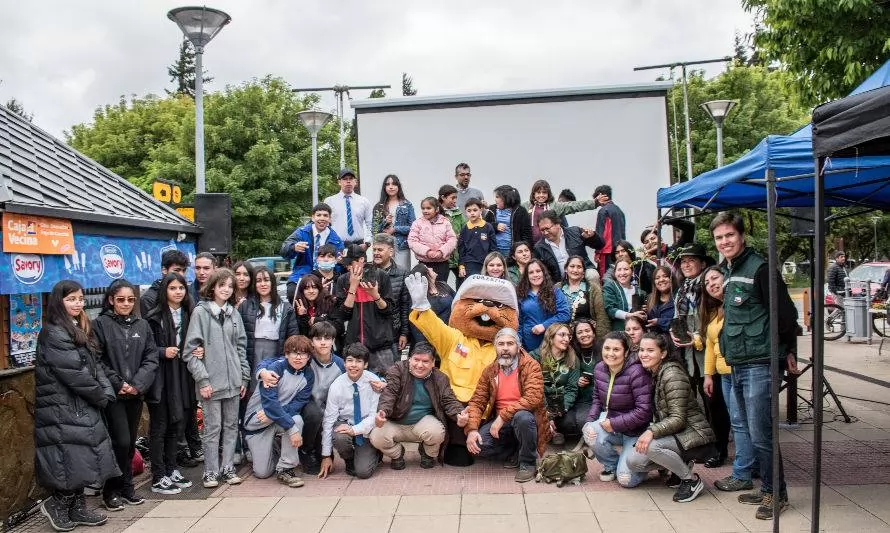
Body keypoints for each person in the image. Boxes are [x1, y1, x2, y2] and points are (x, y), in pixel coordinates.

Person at [711, 212, 798, 520]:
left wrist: (788, 351)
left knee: (762, 434)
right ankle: (766, 490)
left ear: (742, 236)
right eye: (719, 238)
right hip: (738, 363)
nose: (724, 242)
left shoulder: (760, 268)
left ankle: (778, 493)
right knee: (749, 430)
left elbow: (786, 316)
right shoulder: (730, 270)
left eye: (729, 236)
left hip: (761, 363)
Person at [35, 280, 119, 532]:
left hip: (81, 404)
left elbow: (94, 364)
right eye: (72, 299)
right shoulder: (53, 332)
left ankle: (78, 506)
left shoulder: (77, 327)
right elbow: (74, 374)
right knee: (67, 457)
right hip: (62, 407)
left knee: (83, 455)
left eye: (80, 299)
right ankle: (58, 505)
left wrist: (106, 391)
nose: (78, 303)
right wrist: (101, 396)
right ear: (59, 302)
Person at [625, 333, 715, 502]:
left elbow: (678, 419)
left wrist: (651, 432)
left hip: (695, 434)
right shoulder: (654, 372)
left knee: (651, 447)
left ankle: (691, 480)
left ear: (663, 353)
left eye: (650, 350)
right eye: (642, 350)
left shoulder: (672, 374)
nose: (644, 354)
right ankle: (679, 469)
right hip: (677, 434)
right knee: (633, 461)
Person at [182, 268, 250, 488]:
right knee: (213, 429)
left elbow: (241, 348)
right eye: (222, 285)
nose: (227, 290)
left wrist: (244, 378)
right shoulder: (200, 313)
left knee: (231, 426)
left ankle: (228, 467)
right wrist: (203, 380)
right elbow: (190, 352)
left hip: (234, 382)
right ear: (212, 287)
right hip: (211, 384)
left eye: (230, 286)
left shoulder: (234, 314)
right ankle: (210, 471)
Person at [94, 280, 158, 510]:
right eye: (120, 299)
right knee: (118, 441)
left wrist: (137, 384)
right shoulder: (100, 324)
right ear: (111, 299)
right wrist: (118, 383)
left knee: (129, 442)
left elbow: (151, 357)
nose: (126, 304)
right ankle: (111, 489)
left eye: (130, 299)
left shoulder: (142, 325)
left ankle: (127, 487)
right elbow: (97, 359)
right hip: (113, 395)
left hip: (135, 394)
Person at [463, 327, 548, 482]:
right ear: (495, 347)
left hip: (525, 419)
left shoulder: (531, 366)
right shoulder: (490, 370)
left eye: (510, 343)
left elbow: (532, 398)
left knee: (522, 417)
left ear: (518, 346)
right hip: (502, 423)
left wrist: (502, 417)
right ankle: (515, 450)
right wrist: (471, 429)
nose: (505, 348)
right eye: (501, 344)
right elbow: (477, 401)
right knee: (478, 446)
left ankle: (528, 462)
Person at [699, 266, 755, 492]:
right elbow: (711, 347)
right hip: (724, 375)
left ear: (727, 278)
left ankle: (744, 471)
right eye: (707, 282)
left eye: (715, 278)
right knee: (739, 423)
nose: (711, 284)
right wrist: (708, 375)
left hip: (740, 370)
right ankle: (747, 467)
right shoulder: (714, 312)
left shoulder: (738, 305)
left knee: (745, 423)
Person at [372, 342, 467, 469]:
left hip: (422, 422)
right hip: (396, 421)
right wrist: (383, 411)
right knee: (376, 436)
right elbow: (390, 393)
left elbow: (449, 399)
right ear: (409, 358)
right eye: (416, 360)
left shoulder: (440, 378)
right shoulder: (397, 370)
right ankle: (397, 454)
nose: (420, 365)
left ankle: (427, 453)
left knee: (437, 433)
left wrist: (458, 414)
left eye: (425, 361)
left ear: (433, 363)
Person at [145, 272, 196, 495]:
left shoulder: (189, 314)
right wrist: (162, 351)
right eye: (173, 288)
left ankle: (171, 467)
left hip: (182, 376)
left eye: (181, 288)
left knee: (178, 424)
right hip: (161, 379)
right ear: (165, 290)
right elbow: (145, 351)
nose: (178, 292)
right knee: (160, 426)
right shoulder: (153, 317)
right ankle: (158, 475)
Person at [582, 331, 653, 487]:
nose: (610, 353)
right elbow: (596, 400)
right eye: (607, 348)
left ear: (626, 352)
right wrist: (589, 421)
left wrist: (614, 424)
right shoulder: (600, 368)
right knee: (589, 431)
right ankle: (612, 465)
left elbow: (644, 411)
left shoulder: (637, 372)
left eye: (616, 349)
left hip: (636, 432)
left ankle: (653, 465)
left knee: (626, 480)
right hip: (614, 426)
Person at [243, 335, 315, 487]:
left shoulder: (308, 375)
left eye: (303, 354)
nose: (298, 357)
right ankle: (275, 447)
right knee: (262, 473)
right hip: (258, 422)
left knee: (296, 420)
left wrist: (277, 416)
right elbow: (269, 402)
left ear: (308, 357)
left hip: (275, 418)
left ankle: (286, 469)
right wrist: (282, 420)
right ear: (287, 354)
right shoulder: (274, 369)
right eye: (294, 352)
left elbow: (298, 403)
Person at [318, 343, 383, 479]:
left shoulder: (374, 382)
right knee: (339, 436)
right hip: (345, 423)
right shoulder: (337, 386)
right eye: (350, 360)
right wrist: (326, 455)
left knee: (363, 473)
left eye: (359, 361)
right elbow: (329, 420)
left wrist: (355, 430)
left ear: (365, 365)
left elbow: (373, 416)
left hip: (366, 427)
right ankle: (349, 459)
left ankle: (375, 453)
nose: (353, 365)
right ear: (344, 363)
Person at [333, 244, 395, 376]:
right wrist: (353, 288)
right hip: (353, 345)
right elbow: (343, 315)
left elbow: (389, 310)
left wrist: (375, 295)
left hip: (380, 344)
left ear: (362, 260)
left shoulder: (381, 276)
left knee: (386, 385)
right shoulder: (343, 280)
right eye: (346, 264)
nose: (348, 267)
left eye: (351, 263)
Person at [281, 202, 345, 303]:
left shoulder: (336, 239)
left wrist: (341, 262)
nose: (322, 218)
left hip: (326, 274)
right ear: (313, 217)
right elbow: (284, 250)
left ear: (329, 219)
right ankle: (300, 317)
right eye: (318, 215)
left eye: (325, 215)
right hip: (303, 272)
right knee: (292, 291)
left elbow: (341, 262)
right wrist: (293, 248)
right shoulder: (301, 232)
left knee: (332, 295)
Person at [530, 323, 579, 446]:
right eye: (562, 335)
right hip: (540, 402)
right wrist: (546, 412)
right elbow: (535, 388)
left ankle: (552, 430)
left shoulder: (573, 358)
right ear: (551, 338)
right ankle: (548, 430)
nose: (567, 339)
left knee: (570, 424)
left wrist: (563, 408)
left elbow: (572, 388)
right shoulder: (535, 357)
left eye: (569, 336)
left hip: (560, 404)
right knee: (531, 422)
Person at [534, 210, 603, 286]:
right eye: (542, 230)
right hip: (560, 281)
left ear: (557, 224)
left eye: (547, 229)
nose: (545, 233)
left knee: (592, 275)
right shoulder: (539, 247)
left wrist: (592, 237)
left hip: (583, 273)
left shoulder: (575, 232)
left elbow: (600, 245)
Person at [516, 259, 570, 352]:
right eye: (531, 272)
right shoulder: (521, 294)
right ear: (527, 276)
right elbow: (519, 322)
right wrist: (518, 342)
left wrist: (544, 326)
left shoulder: (555, 292)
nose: (535, 275)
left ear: (543, 272)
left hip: (552, 344)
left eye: (538, 271)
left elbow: (565, 314)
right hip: (529, 347)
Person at [524, 179, 598, 243]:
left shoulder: (555, 206)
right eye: (538, 192)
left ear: (548, 194)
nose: (541, 195)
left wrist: (595, 202)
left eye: (544, 192)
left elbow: (574, 205)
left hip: (550, 246)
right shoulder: (526, 206)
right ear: (533, 194)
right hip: (531, 246)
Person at [372, 233, 409, 355]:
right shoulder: (367, 271)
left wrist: (404, 333)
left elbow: (404, 306)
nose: (376, 253)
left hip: (392, 331)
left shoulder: (402, 273)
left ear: (391, 251)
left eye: (380, 250)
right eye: (374, 250)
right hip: (371, 330)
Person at [403, 264, 455, 349]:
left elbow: (456, 299)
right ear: (426, 275)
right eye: (427, 268)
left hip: (449, 333)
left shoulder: (443, 285)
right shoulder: (419, 296)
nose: (431, 268)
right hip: (431, 338)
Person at [371, 174, 416, 272]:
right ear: (384, 187)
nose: (391, 187)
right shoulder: (379, 206)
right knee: (383, 274)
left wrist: (395, 229)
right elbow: (374, 231)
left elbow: (413, 227)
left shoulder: (407, 204)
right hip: (383, 246)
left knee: (403, 273)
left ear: (398, 186)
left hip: (402, 245)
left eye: (394, 184)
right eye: (388, 184)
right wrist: (384, 222)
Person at [408, 196, 457, 283]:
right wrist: (427, 252)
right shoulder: (417, 223)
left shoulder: (445, 222)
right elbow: (412, 241)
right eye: (423, 208)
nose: (425, 211)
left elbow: (452, 240)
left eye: (428, 208)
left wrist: (441, 252)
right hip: (424, 264)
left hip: (442, 264)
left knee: (441, 288)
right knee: (425, 289)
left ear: (437, 209)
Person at [560, 255, 610, 337]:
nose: (575, 270)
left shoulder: (593, 288)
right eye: (572, 266)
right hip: (564, 336)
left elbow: (602, 317)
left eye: (579, 267)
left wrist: (600, 341)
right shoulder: (557, 288)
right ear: (566, 269)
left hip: (587, 335)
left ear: (583, 271)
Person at [324, 168, 374, 249]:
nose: (348, 181)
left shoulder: (364, 201)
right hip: (336, 245)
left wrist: (367, 243)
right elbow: (325, 224)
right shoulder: (329, 201)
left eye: (351, 179)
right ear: (339, 182)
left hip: (359, 246)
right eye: (344, 179)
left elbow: (371, 224)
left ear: (355, 182)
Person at [485, 185, 532, 257]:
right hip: (494, 251)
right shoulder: (492, 209)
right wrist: (495, 226)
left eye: (497, 197)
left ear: (506, 198)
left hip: (513, 253)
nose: (495, 200)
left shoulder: (520, 211)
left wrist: (524, 251)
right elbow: (484, 226)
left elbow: (527, 234)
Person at [140, 249, 190, 316]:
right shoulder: (149, 299)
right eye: (177, 270)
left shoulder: (186, 294)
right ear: (164, 270)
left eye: (184, 271)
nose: (181, 275)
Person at [458, 198, 497, 281]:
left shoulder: (488, 227)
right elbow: (461, 249)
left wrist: (492, 263)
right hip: (470, 263)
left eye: (475, 210)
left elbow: (493, 247)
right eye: (469, 211)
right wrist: (461, 266)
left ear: (481, 210)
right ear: (465, 212)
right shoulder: (464, 228)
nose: (472, 213)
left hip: (486, 262)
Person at [603, 259, 648, 331]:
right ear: (615, 273)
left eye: (626, 269)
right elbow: (610, 310)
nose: (622, 273)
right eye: (619, 270)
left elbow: (644, 316)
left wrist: (645, 310)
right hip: (619, 331)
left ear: (632, 272)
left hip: (636, 331)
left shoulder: (640, 292)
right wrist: (630, 315)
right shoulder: (610, 286)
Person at [592, 185, 627, 277]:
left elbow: (601, 234)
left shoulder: (603, 211)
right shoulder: (620, 211)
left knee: (605, 278)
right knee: (618, 276)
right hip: (619, 251)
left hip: (606, 253)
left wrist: (597, 252)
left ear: (601, 196)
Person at [292, 273, 338, 339]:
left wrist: (317, 320)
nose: (311, 291)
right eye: (307, 288)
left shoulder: (329, 302)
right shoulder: (297, 307)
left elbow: (339, 326)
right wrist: (303, 317)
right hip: (307, 346)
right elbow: (301, 335)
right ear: (302, 291)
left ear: (319, 289)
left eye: (314, 287)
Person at [439, 184, 466, 286]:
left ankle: (459, 301)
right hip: (443, 256)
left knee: (461, 280)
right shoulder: (437, 214)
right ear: (443, 197)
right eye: (452, 198)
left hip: (457, 255)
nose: (455, 201)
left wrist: (461, 235)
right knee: (441, 283)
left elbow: (465, 228)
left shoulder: (458, 213)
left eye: (456, 198)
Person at [646, 266, 676, 336]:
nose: (661, 280)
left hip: (674, 342)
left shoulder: (679, 298)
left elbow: (682, 323)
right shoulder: (650, 299)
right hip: (654, 342)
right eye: (657, 278)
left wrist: (659, 322)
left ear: (671, 278)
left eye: (665, 276)